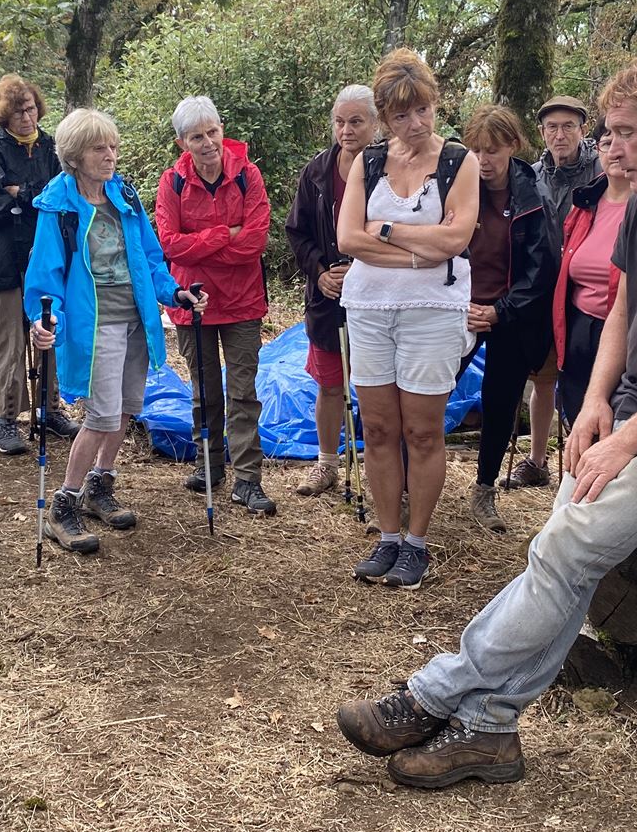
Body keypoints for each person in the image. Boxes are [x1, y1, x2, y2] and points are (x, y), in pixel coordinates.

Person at [336, 52, 637, 789]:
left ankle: (432, 695)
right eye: (607, 133)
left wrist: (623, 437)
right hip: (634, 415)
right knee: (563, 556)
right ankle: (489, 730)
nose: (607, 148)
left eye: (624, 133)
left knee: (563, 550)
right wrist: (593, 405)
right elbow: (623, 303)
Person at [24, 108, 204, 553]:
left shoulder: (124, 195)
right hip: (96, 322)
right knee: (101, 415)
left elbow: (150, 256)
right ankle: (62, 504)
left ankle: (98, 485)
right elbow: (45, 274)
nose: (110, 155)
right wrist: (45, 318)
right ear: (74, 155)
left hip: (136, 319)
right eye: (99, 148)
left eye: (113, 146)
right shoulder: (59, 207)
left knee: (125, 408)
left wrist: (173, 293)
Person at [339, 49, 480, 591]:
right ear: (384, 117)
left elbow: (457, 239)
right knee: (377, 428)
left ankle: (417, 543)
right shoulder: (368, 162)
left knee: (422, 431)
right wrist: (422, 251)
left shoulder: (458, 161)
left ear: (434, 103)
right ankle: (388, 536)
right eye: (401, 115)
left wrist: (387, 231)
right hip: (370, 309)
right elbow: (347, 238)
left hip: (433, 312)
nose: (414, 123)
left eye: (422, 110)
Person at [155, 95, 276, 516]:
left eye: (213, 132)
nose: (207, 143)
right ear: (181, 142)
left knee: (243, 391)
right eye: (196, 137)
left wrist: (201, 245)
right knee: (203, 389)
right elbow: (169, 245)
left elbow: (255, 242)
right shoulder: (171, 182)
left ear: (222, 129)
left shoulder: (249, 176)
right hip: (193, 301)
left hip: (243, 302)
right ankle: (210, 466)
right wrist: (227, 233)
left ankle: (247, 480)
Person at [460, 105, 553, 534]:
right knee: (426, 393)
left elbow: (541, 269)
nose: (483, 160)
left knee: (499, 403)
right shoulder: (458, 185)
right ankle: (408, 486)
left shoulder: (533, 195)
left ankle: (484, 490)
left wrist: (499, 311)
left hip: (510, 315)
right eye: (476, 149)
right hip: (458, 308)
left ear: (513, 147)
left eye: (493, 150)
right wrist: (462, 304)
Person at [0, 74, 78, 456]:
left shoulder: (53, 148)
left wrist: (20, 194)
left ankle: (49, 408)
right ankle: (5, 417)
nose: (26, 117)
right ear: (4, 115)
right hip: (5, 257)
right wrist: (29, 201)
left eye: (31, 108)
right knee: (11, 339)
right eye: (18, 111)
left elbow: (61, 196)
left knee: (49, 328)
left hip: (48, 255)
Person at [284, 85, 379, 495]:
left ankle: (381, 468)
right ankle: (326, 464)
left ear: (375, 124)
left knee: (378, 387)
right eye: (340, 122)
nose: (346, 130)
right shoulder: (317, 171)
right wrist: (320, 272)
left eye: (356, 121)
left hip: (377, 297)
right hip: (327, 298)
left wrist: (362, 267)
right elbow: (297, 231)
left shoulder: (389, 169)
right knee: (328, 383)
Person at [515, 94, 601, 487]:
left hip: (588, 287)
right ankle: (537, 461)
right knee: (544, 376)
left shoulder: (602, 170)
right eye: (552, 127)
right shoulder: (532, 175)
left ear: (583, 130)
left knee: (588, 376)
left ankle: (587, 459)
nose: (560, 134)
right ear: (542, 132)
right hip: (545, 287)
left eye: (569, 126)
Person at [552, 127, 631, 426]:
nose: (614, 150)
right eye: (606, 143)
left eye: (622, 141)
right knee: (576, 411)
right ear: (596, 150)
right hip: (577, 324)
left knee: (613, 415)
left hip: (625, 327)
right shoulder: (586, 201)